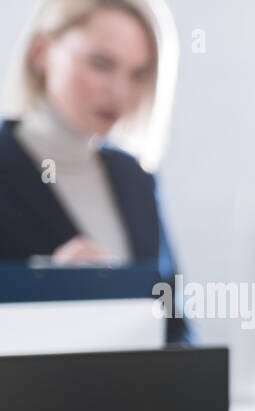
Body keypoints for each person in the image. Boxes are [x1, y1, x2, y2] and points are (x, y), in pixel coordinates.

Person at [0, 0, 189, 342]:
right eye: (101, 64)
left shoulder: (136, 179)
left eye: (138, 74)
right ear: (42, 51)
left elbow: (176, 328)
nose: (119, 92)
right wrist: (39, 288)